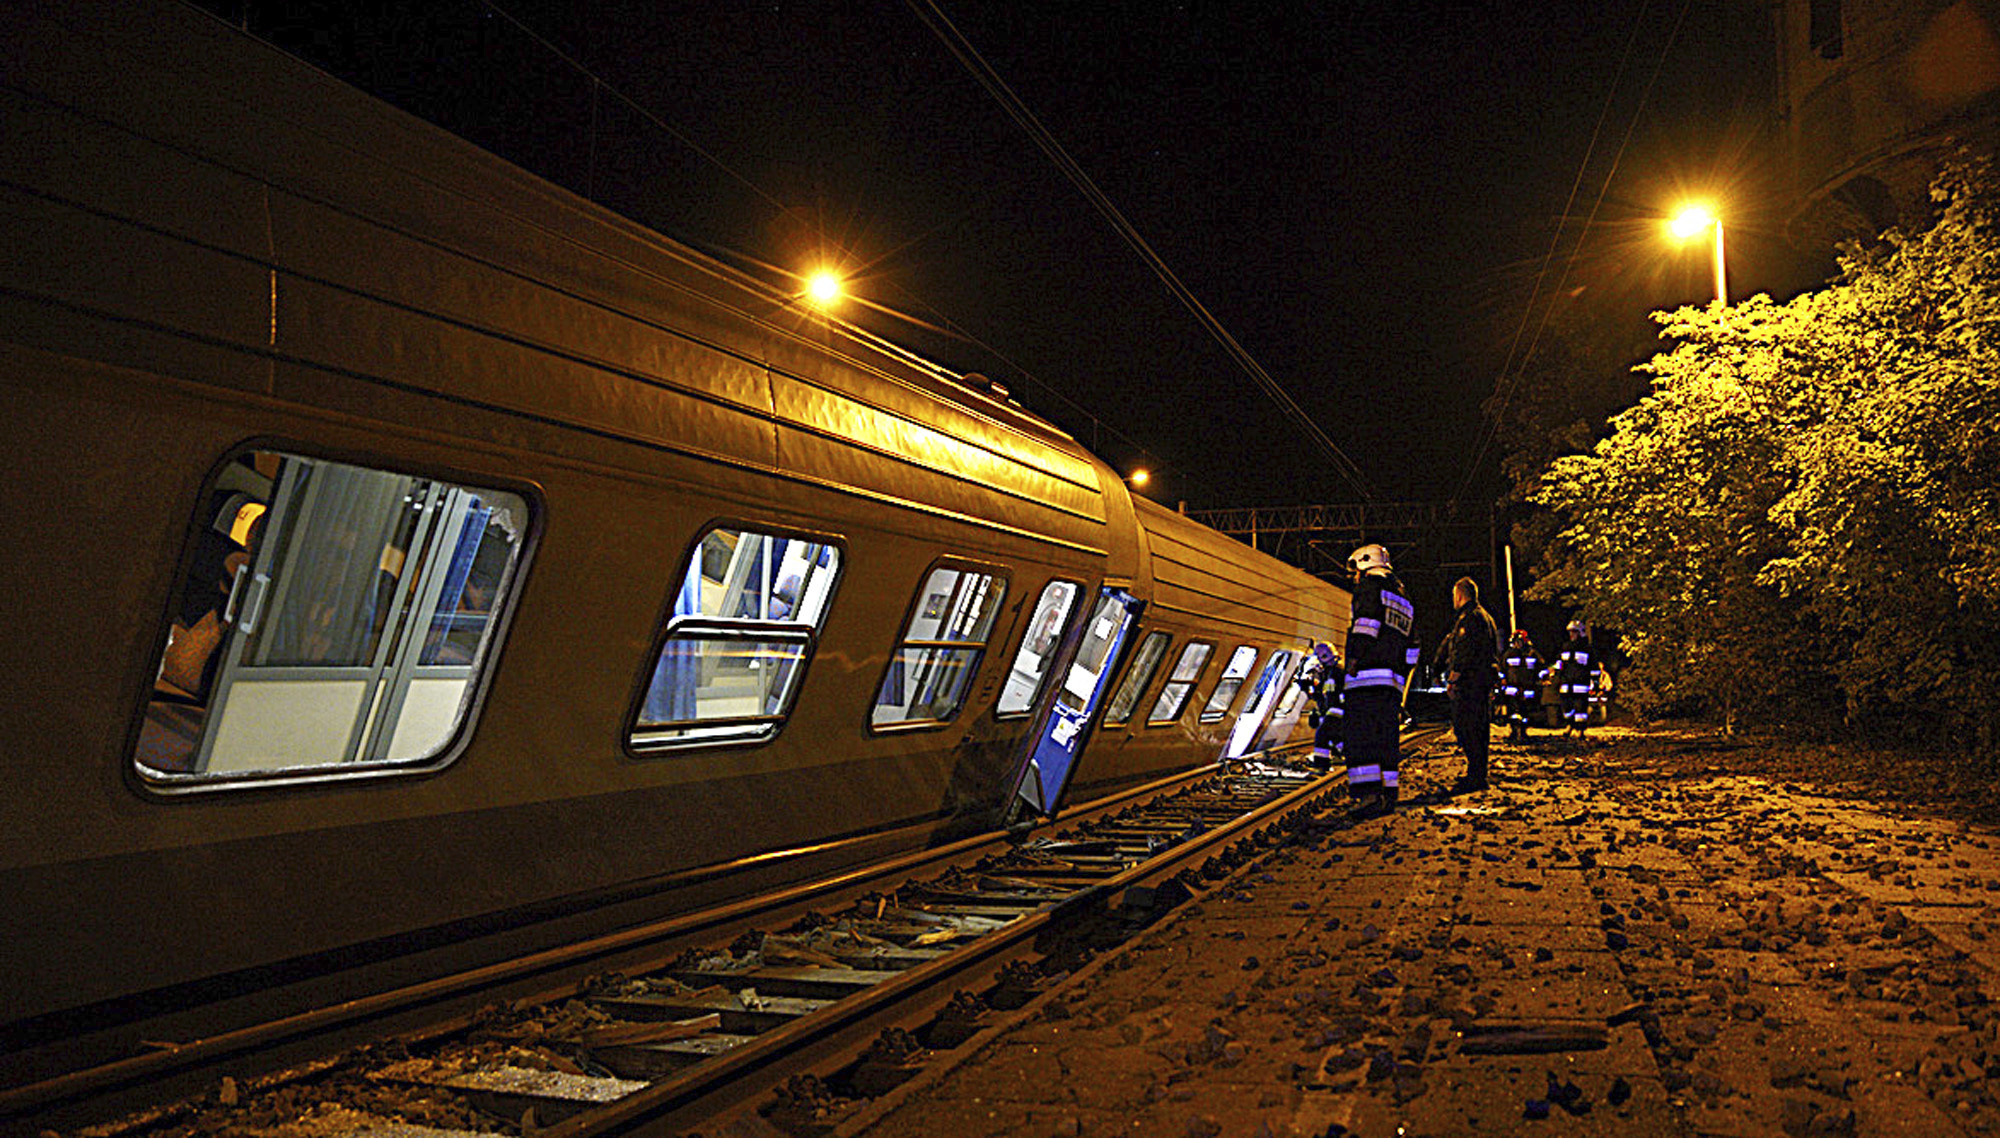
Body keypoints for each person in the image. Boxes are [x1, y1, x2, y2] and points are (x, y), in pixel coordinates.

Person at [1341, 543, 1417, 815]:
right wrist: (1403, 674)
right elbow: (1413, 645)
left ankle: (1368, 796)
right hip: (1393, 681)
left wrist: (1352, 661)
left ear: (1363, 564)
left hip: (1367, 678)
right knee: (1387, 738)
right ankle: (1388, 793)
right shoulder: (1404, 599)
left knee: (1361, 737)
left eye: (1355, 571)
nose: (1354, 578)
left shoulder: (1369, 589)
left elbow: (1365, 627)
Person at [1441, 577, 1500, 793]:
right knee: (1478, 729)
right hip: (1481, 682)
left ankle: (1476, 777)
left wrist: (1453, 679)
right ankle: (1476, 774)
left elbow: (1465, 651)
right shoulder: (1485, 617)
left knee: (1468, 728)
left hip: (1471, 683)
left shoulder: (1470, 618)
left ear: (1459, 594)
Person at [1296, 642, 1345, 772]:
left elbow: (1332, 693)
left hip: (1339, 710)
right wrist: (1311, 690)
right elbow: (1325, 693)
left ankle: (1321, 765)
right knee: (1335, 738)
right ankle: (1355, 756)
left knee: (1322, 736)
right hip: (1336, 710)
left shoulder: (1337, 672)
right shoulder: (1331, 671)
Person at [1501, 628, 1544, 743]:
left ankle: (1524, 732)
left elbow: (1541, 668)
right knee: (1513, 713)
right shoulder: (1508, 654)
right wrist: (1501, 681)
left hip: (1528, 688)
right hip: (1512, 689)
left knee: (1526, 712)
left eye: (1520, 641)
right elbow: (1502, 670)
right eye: (1516, 641)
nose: (1517, 644)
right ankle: (1514, 732)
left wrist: (1541, 679)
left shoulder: (1532, 654)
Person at [1557, 619, 1595, 740]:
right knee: (1566, 707)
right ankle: (1569, 725)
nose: (1571, 635)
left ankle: (1580, 730)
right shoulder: (1565, 647)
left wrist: (1595, 682)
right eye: (1570, 632)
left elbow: (1593, 667)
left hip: (1581, 683)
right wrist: (1556, 676)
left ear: (1581, 633)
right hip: (1566, 683)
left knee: (1580, 709)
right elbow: (1560, 664)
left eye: (1574, 632)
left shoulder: (1587, 649)